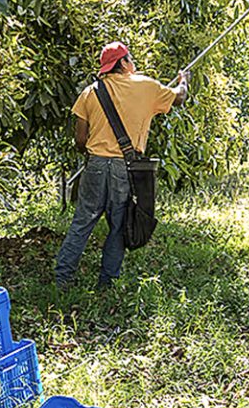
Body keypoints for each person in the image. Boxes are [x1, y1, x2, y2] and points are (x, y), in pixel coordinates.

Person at [54, 41, 189, 289]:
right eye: (130, 58)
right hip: (124, 168)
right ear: (124, 62)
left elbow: (80, 139)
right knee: (118, 225)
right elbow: (179, 98)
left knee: (82, 222)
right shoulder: (146, 87)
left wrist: (95, 156)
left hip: (95, 165)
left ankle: (62, 279)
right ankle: (107, 283)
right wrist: (183, 80)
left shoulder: (90, 92)